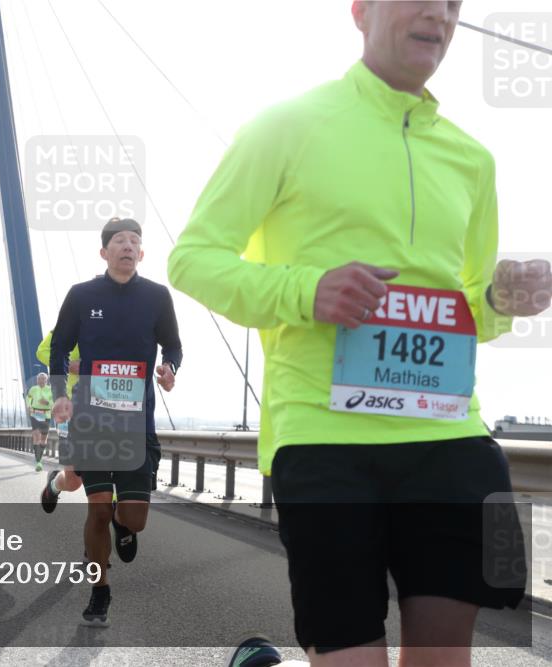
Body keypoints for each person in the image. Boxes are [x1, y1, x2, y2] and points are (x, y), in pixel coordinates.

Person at [169, 3, 548, 665]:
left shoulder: (473, 159)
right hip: (324, 436)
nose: (439, 12)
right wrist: (307, 290)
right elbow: (192, 258)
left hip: (448, 435)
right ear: (361, 9)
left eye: (455, 3)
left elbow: (471, 313)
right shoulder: (285, 125)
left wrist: (499, 299)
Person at [50, 216, 182, 626]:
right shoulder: (81, 295)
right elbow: (58, 348)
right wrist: (59, 397)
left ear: (141, 254)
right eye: (119, 241)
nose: (127, 246)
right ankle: (100, 591)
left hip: (136, 425)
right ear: (104, 252)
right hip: (91, 420)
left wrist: (169, 368)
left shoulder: (158, 297)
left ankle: (125, 529)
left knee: (132, 518)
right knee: (98, 512)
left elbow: (174, 345)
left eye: (134, 241)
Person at [37, 329, 84, 513]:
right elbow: (42, 351)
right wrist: (69, 365)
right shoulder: (75, 317)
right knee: (73, 482)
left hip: (107, 408)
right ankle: (53, 486)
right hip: (70, 408)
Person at [26, 373, 54, 471]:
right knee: (36, 436)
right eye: (39, 379)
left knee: (43, 439)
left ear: (46, 380)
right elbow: (28, 397)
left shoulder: (50, 390)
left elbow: (54, 402)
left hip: (46, 415)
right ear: (37, 380)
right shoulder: (33, 389)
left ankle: (40, 457)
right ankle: (38, 461)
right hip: (34, 414)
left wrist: (47, 403)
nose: (40, 381)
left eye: (43, 379)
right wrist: (29, 405)